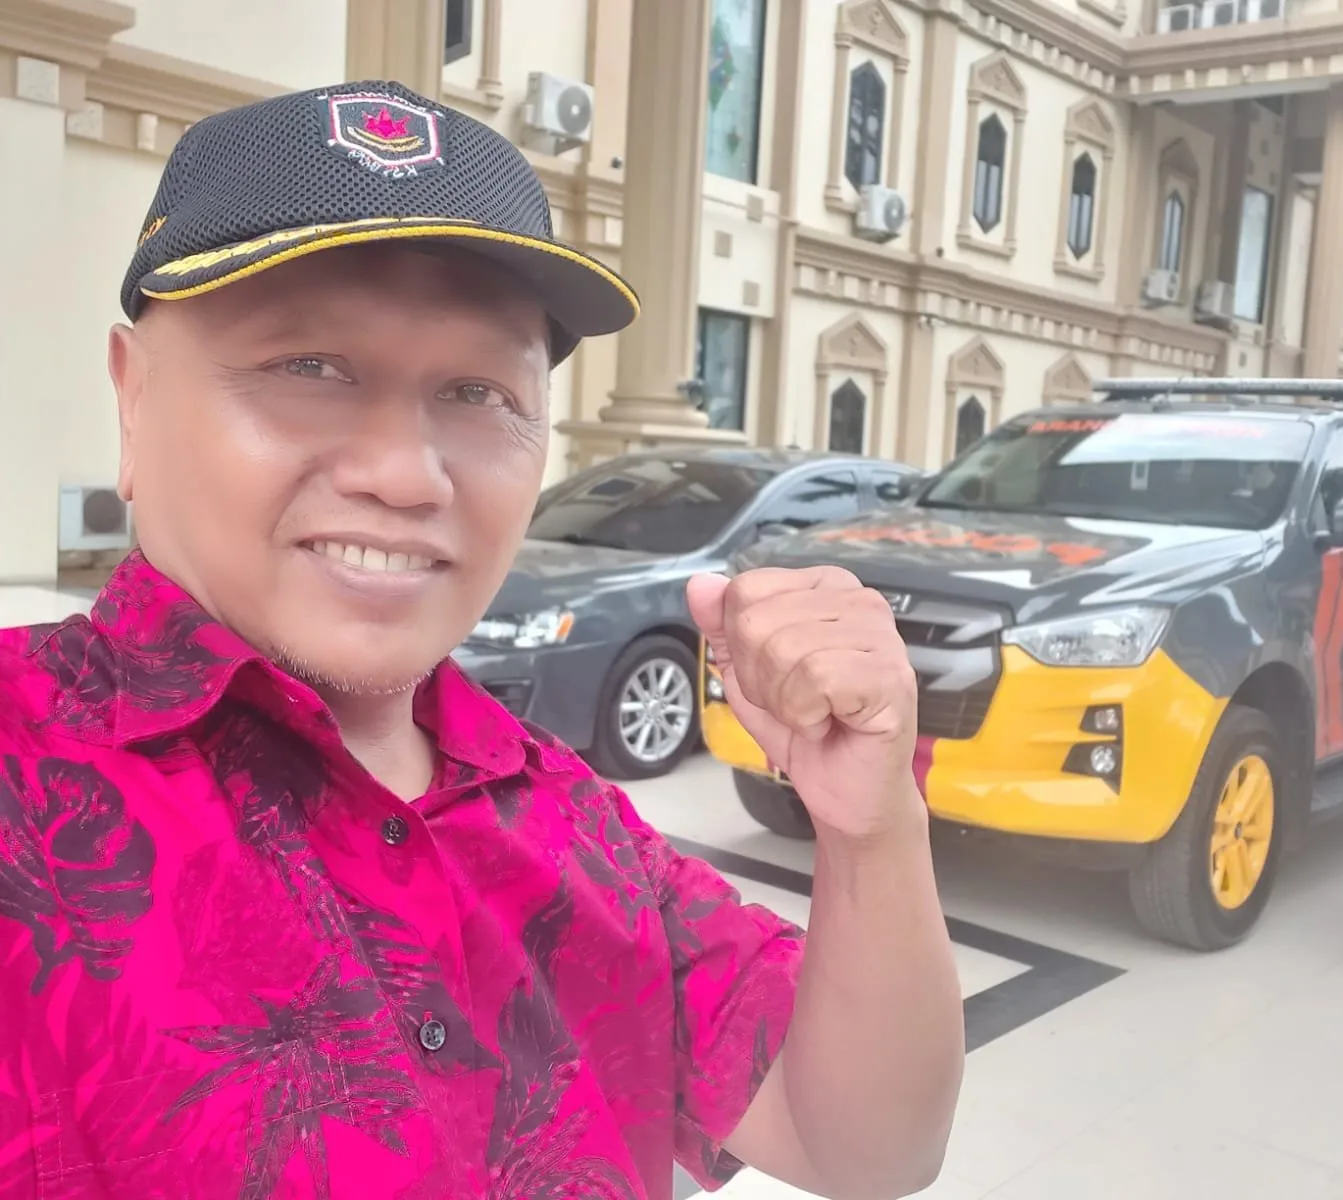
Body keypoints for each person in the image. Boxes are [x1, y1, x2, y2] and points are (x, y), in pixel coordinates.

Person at [0, 81, 963, 1199]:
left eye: (477, 390)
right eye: (308, 367)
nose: (406, 475)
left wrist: (871, 833)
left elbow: (862, 1147)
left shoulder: (572, 818)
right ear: (133, 400)